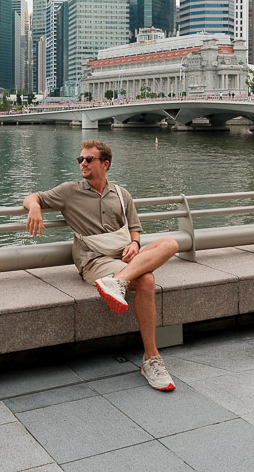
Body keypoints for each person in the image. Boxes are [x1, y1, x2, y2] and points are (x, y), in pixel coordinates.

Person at [23, 139, 179, 392]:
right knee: (147, 280)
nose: (82, 163)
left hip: (123, 255)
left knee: (170, 243)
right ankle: (151, 358)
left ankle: (117, 282)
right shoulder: (69, 191)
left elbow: (135, 228)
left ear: (105, 164)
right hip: (94, 260)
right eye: (80, 160)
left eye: (89, 159)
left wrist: (136, 245)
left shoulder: (121, 193)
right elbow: (32, 197)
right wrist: (35, 209)